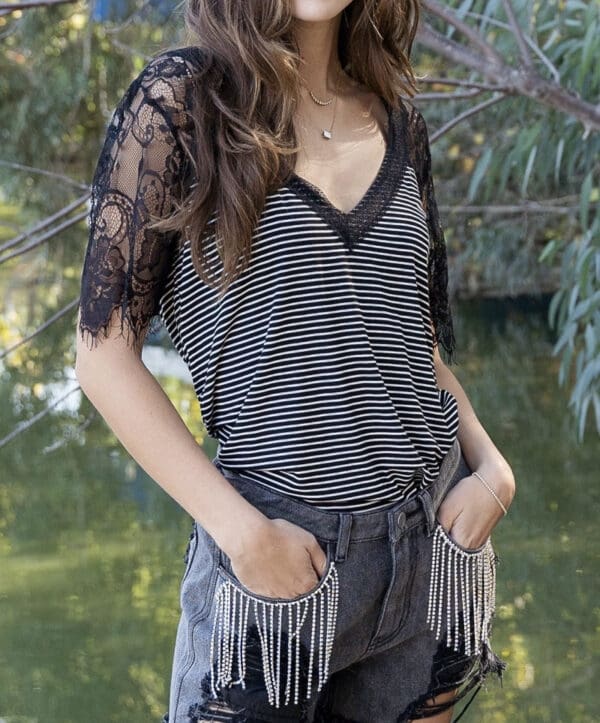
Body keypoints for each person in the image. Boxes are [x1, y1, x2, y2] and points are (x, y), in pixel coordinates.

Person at [74, 1, 515, 721]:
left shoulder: (400, 120)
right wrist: (242, 532)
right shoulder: (183, 104)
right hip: (275, 566)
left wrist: (491, 465)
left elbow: (414, 342)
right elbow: (104, 354)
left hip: (431, 555)